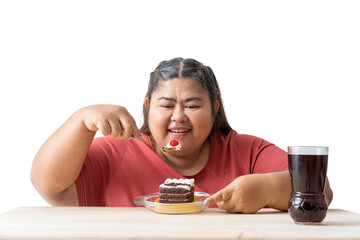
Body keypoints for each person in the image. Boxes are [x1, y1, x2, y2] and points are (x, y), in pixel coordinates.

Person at [31, 57, 333, 213]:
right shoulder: (119, 151)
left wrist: (267, 189)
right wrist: (79, 122)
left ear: (215, 110)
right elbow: (53, 189)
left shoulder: (246, 150)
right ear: (147, 108)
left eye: (192, 105)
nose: (178, 116)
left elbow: (319, 190)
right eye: (166, 105)